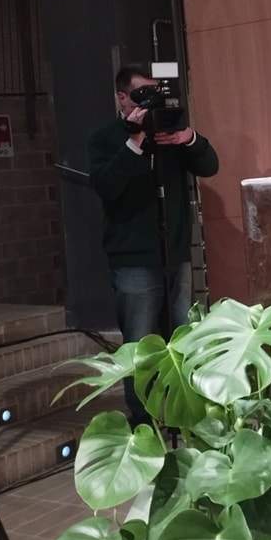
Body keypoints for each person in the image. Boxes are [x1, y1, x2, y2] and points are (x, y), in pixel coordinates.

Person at [87, 64, 219, 425]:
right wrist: (134, 142)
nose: (150, 102)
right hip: (133, 259)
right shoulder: (104, 139)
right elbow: (106, 186)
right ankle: (143, 420)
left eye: (154, 93)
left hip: (175, 253)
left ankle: (185, 414)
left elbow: (209, 166)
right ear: (122, 97)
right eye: (141, 95)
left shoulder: (168, 132)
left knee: (182, 337)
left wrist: (188, 138)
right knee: (140, 343)